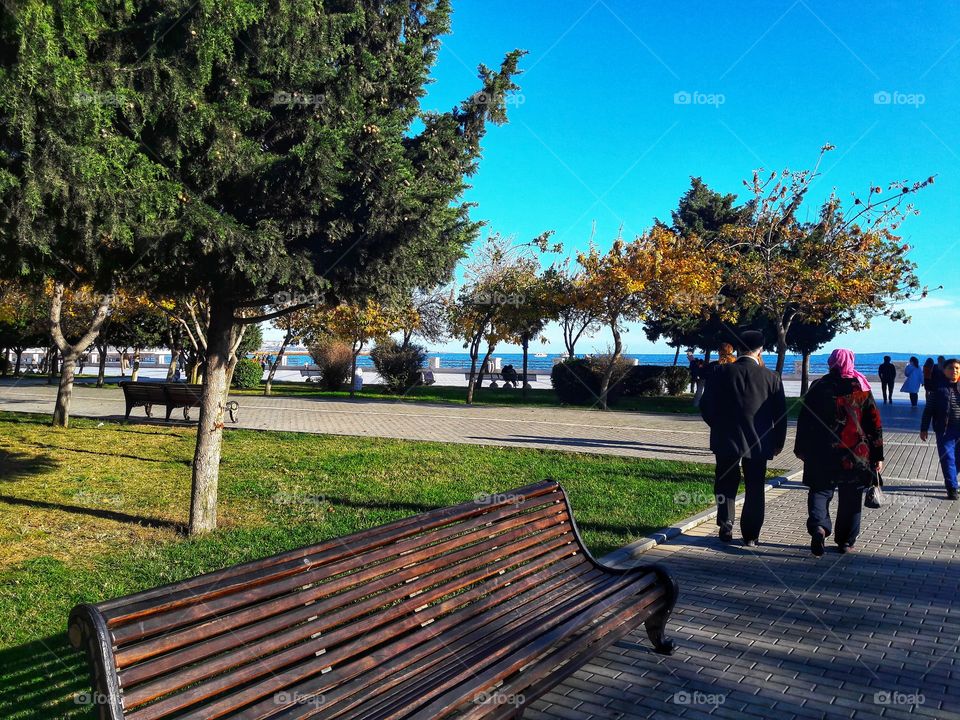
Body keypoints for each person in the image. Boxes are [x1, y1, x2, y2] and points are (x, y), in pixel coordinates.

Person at [700, 330, 787, 546]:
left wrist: (718, 425)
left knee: (725, 481)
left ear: (738, 349)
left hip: (726, 438)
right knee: (755, 487)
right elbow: (781, 415)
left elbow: (706, 406)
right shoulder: (771, 377)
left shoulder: (721, 372)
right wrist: (778, 442)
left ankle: (726, 522)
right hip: (760, 441)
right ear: (761, 350)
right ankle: (750, 535)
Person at [795, 349, 883, 556]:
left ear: (831, 363)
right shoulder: (862, 388)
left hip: (821, 451)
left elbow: (805, 420)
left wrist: (800, 448)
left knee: (820, 490)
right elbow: (874, 424)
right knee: (851, 497)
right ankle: (845, 541)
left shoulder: (819, 386)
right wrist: (878, 456)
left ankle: (819, 527)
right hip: (855, 454)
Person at [920, 358, 960, 501]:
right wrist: (923, 428)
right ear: (944, 370)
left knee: (957, 460)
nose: (954, 371)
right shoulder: (937, 388)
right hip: (944, 430)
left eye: (957, 368)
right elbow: (928, 409)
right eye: (950, 368)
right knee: (948, 459)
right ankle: (952, 488)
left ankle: (951, 479)